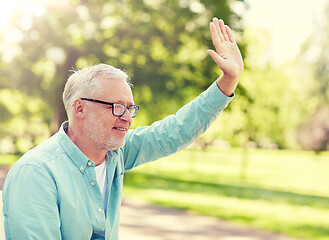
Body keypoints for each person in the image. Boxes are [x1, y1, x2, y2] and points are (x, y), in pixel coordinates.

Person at [2, 17, 244, 240]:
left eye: (130, 108)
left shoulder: (114, 153)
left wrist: (227, 81)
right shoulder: (36, 173)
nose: (127, 118)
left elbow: (175, 132)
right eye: (117, 107)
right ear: (79, 109)